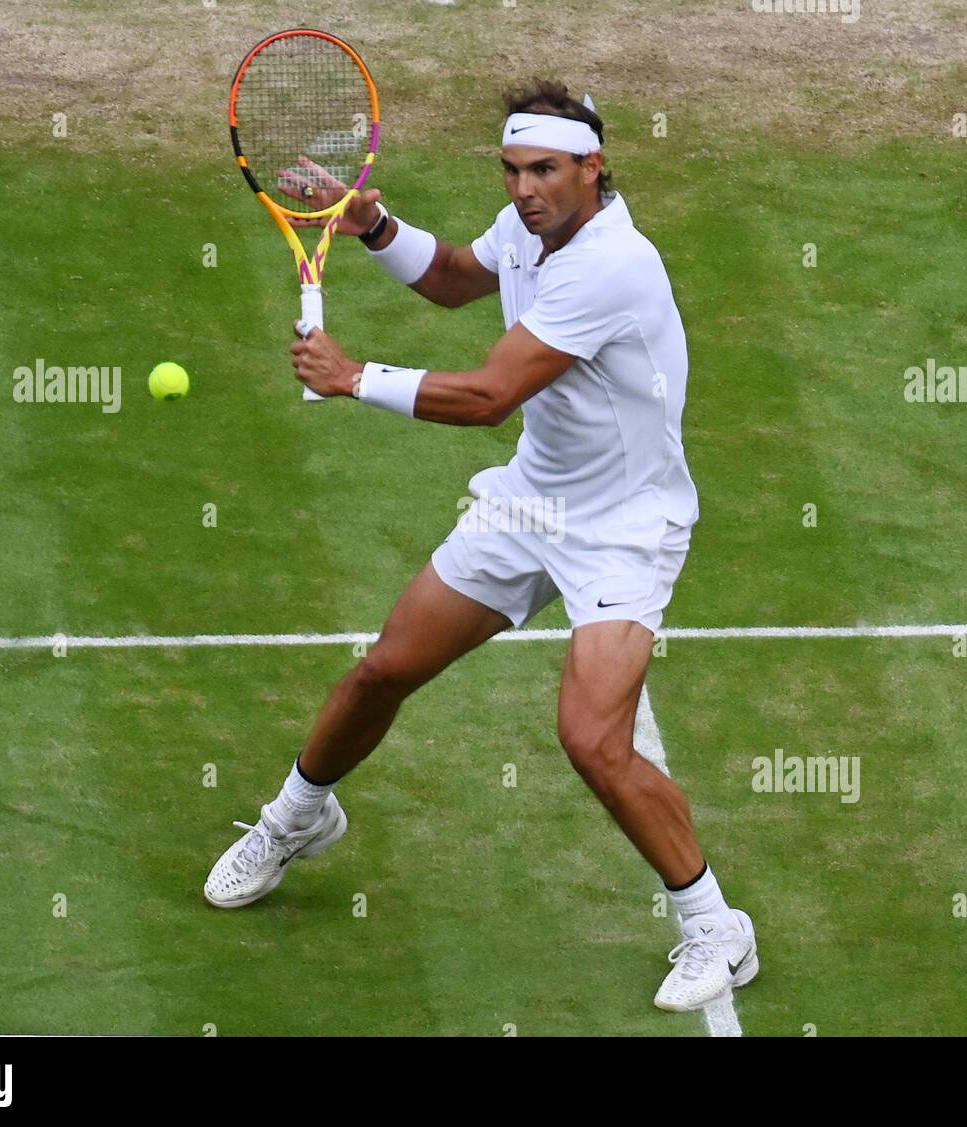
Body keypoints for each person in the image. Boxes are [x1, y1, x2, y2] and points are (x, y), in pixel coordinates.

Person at [204, 78, 758, 1013]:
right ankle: (297, 816)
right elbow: (459, 275)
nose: (523, 189)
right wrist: (376, 227)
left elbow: (491, 396)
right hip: (533, 501)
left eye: (543, 170)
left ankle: (716, 927)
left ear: (593, 167)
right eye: (511, 170)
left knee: (593, 740)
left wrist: (354, 377)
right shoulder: (535, 230)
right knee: (385, 668)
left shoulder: (611, 266)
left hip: (625, 527)